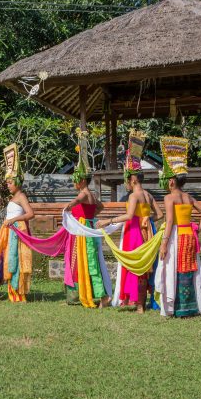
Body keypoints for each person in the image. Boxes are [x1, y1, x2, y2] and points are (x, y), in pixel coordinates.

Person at [98, 130, 163, 313]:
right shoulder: (148, 195)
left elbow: (128, 216)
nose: (125, 181)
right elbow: (160, 215)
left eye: (126, 178)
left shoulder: (134, 195)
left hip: (134, 232)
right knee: (146, 265)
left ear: (133, 179)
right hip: (148, 230)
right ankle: (143, 303)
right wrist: (148, 219)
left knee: (135, 265)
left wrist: (107, 221)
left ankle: (139, 304)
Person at [156, 136, 201, 317]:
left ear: (171, 181)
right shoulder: (188, 197)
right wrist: (197, 229)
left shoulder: (169, 197)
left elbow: (169, 221)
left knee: (173, 269)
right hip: (190, 236)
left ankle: (176, 307)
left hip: (176, 237)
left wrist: (163, 243)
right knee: (189, 268)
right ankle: (192, 306)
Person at [62, 131, 112, 307]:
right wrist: (90, 218)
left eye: (76, 178)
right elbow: (101, 207)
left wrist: (68, 207)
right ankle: (83, 293)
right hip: (86, 227)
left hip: (84, 230)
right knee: (83, 261)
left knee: (89, 261)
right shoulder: (91, 194)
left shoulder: (83, 193)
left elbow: (76, 201)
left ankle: (101, 295)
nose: (74, 182)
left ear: (82, 180)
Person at [0, 144, 34, 302]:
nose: (7, 185)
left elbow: (30, 214)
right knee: (7, 258)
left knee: (15, 259)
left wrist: (13, 220)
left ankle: (18, 292)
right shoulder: (13, 198)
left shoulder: (21, 196)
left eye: (10, 182)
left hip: (17, 231)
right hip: (9, 230)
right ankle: (11, 291)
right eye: (7, 182)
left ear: (18, 183)